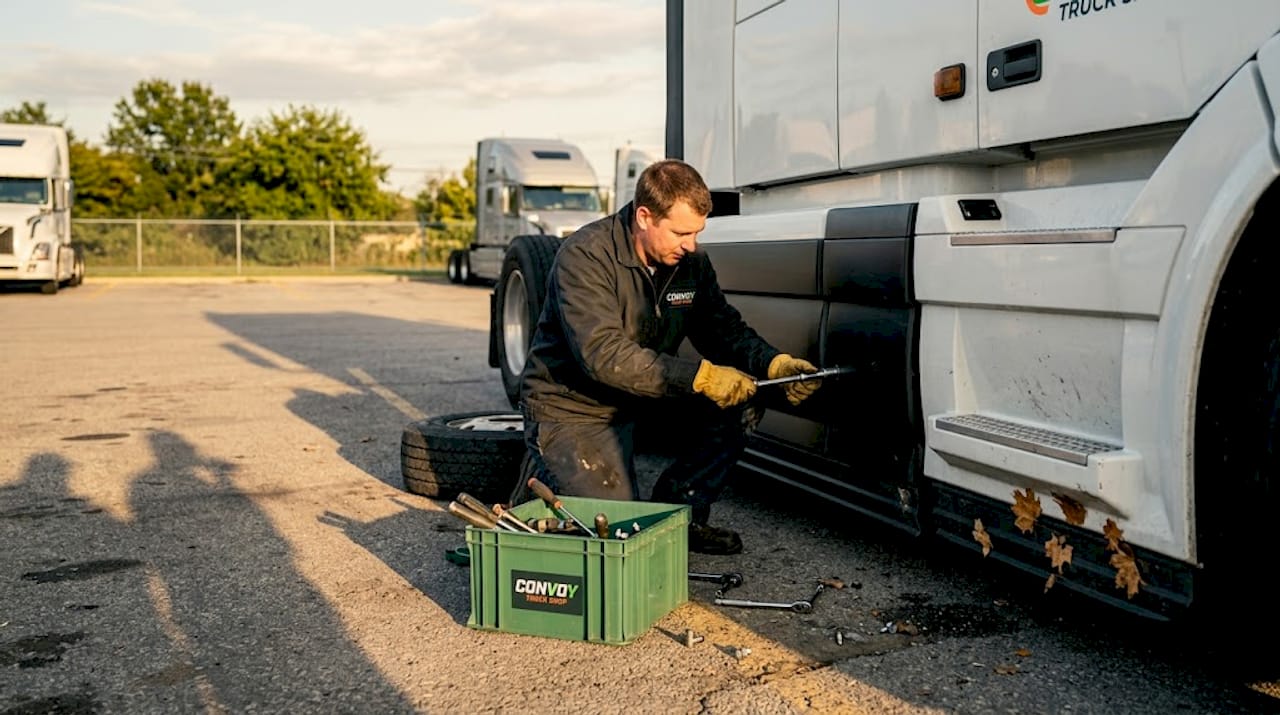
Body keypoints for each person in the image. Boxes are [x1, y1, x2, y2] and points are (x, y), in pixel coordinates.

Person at [512, 159, 823, 554]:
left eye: (697, 232)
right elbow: (602, 355)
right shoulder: (585, 257)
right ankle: (542, 464)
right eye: (680, 232)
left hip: (645, 393)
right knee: (614, 534)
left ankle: (680, 516)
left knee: (739, 402)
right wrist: (701, 378)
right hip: (575, 407)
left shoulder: (689, 263)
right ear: (644, 216)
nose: (691, 244)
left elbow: (722, 329)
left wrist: (772, 363)